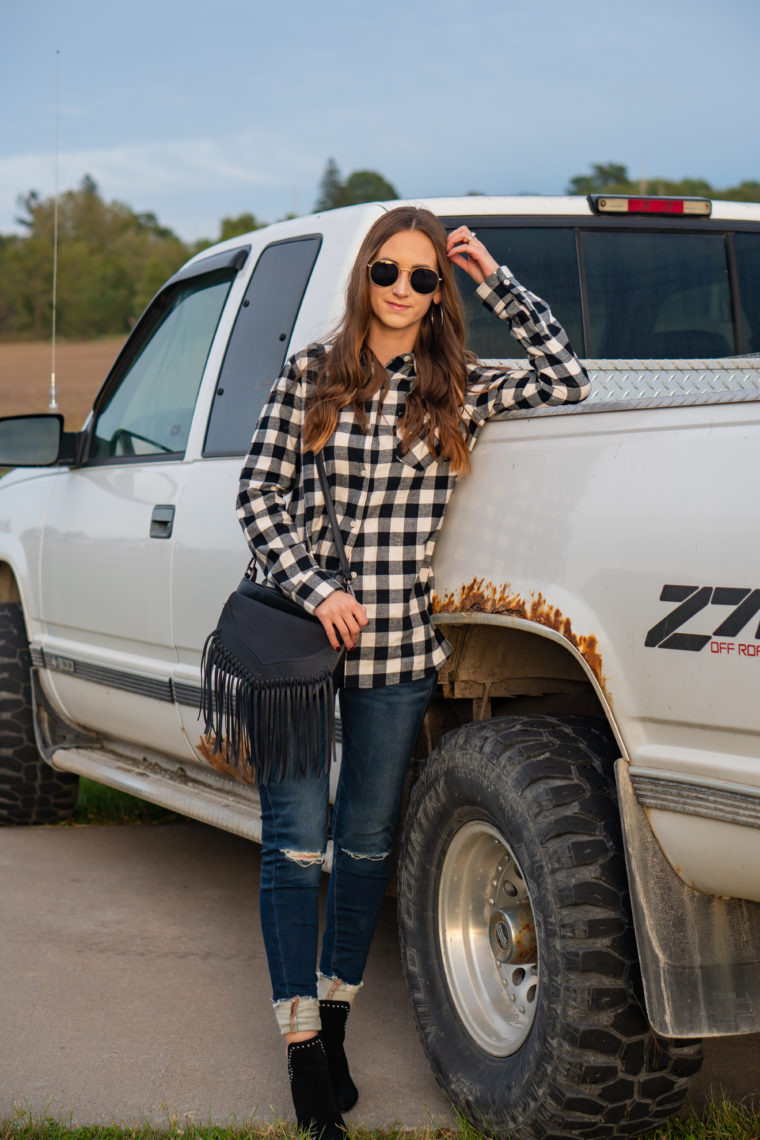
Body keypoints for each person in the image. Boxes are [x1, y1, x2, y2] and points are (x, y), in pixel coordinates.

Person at [236, 205, 590, 1137]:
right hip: (302, 647)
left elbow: (567, 377)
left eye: (422, 278)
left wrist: (495, 279)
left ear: (439, 292)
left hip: (396, 652)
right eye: (388, 273)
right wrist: (317, 589)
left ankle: (340, 1024)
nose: (402, 290)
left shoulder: (458, 385)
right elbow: (258, 494)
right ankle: (303, 1054)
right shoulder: (314, 371)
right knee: (296, 846)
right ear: (365, 277)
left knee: (363, 851)